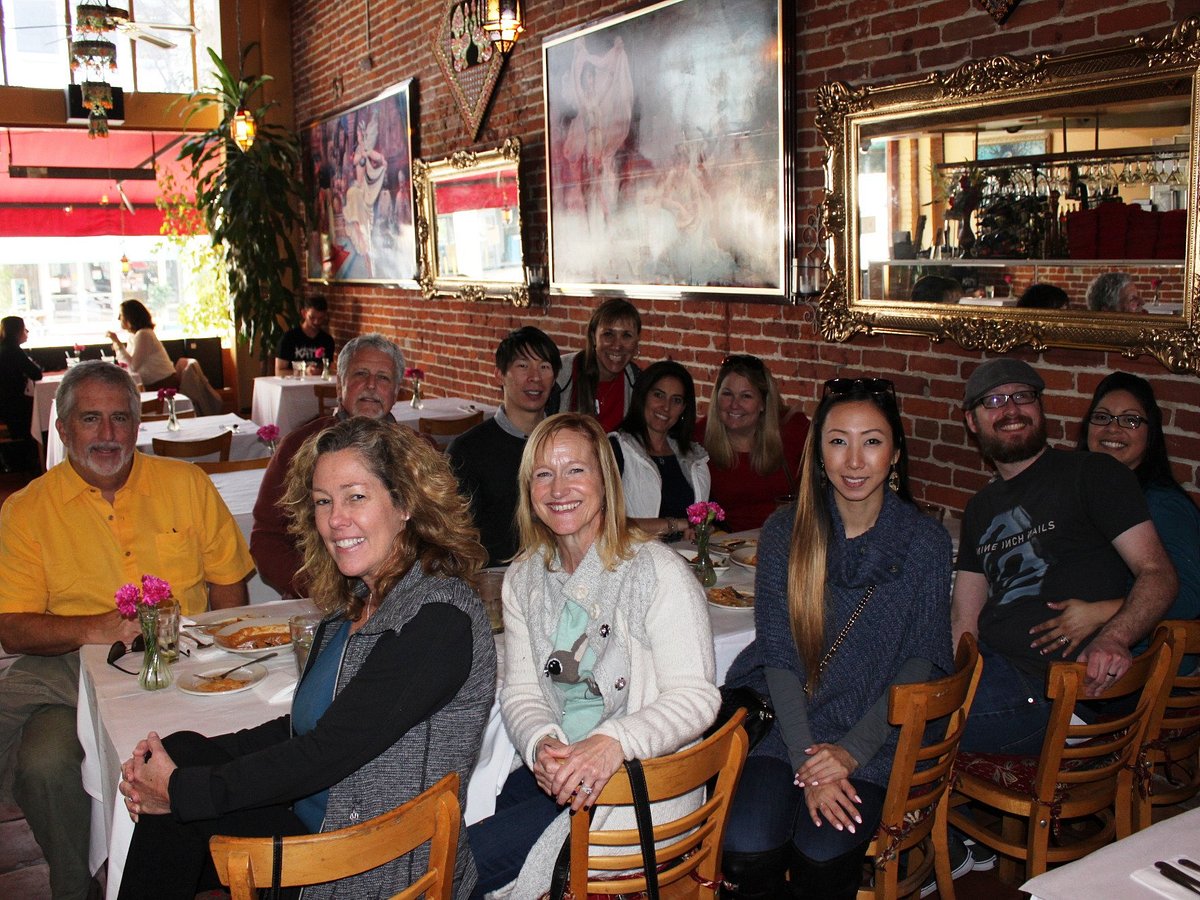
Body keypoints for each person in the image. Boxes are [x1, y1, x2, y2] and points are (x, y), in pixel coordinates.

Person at [116, 417, 497, 899]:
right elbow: (302, 730)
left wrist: (181, 791)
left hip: (371, 860)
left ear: (404, 504)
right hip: (321, 823)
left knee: (180, 805)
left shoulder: (438, 619)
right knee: (183, 751)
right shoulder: (352, 608)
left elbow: (328, 751)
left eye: (355, 496)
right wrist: (178, 768)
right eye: (323, 501)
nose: (336, 519)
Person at [0, 361, 251, 900]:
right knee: (44, 764)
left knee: (242, 735)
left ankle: (216, 870)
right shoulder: (26, 511)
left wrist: (224, 658)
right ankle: (74, 886)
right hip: (69, 671)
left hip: (187, 660)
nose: (108, 434)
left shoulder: (187, 483)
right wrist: (97, 627)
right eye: (91, 419)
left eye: (120, 418)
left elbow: (230, 586)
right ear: (62, 429)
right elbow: (14, 630)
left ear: (140, 426)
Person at [466, 413, 720, 898]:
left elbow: (696, 699)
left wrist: (612, 743)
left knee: (465, 865)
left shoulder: (657, 572)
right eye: (544, 473)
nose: (559, 488)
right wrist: (541, 742)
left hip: (640, 785)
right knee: (460, 836)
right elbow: (520, 690)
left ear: (606, 478)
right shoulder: (524, 577)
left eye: (575, 470)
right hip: (561, 777)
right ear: (528, 488)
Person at [719, 377, 953, 898]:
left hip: (878, 732)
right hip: (790, 724)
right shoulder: (787, 533)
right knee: (744, 847)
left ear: (894, 454)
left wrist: (847, 754)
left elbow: (922, 662)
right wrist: (808, 756)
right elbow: (778, 656)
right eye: (838, 440)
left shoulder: (925, 543)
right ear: (818, 451)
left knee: (821, 854)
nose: (853, 460)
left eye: (871, 441)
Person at [952, 358, 1176, 756]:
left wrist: (1114, 637)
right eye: (995, 401)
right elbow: (964, 622)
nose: (1011, 410)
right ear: (972, 421)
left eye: (1023, 396)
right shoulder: (980, 508)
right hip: (994, 670)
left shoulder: (1093, 474)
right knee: (871, 696)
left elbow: (1158, 573)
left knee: (903, 726)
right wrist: (947, 677)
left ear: (1040, 408)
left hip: (1057, 692)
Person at [1026, 372, 1200, 666]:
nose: (1113, 430)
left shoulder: (1162, 504)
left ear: (1151, 432)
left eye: (1130, 420)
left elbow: (1187, 597)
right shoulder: (1079, 493)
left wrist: (1099, 612)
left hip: (1143, 671)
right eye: (1102, 418)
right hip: (1071, 654)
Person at [252, 333, 405, 597]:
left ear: (396, 391)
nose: (371, 385)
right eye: (360, 374)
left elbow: (439, 535)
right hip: (322, 600)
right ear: (339, 385)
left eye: (383, 377)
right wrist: (322, 590)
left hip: (402, 596)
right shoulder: (298, 447)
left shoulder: (417, 453)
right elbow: (267, 538)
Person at [449, 326, 562, 566]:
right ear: (499, 375)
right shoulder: (468, 450)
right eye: (523, 366)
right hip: (494, 580)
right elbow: (455, 535)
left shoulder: (564, 445)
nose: (535, 377)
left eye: (544, 367)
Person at [699, 354, 810, 532]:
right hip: (727, 545)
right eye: (727, 394)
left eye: (746, 396)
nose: (734, 405)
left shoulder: (793, 430)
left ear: (763, 403)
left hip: (788, 538)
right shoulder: (699, 437)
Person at [609, 360, 710, 540]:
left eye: (676, 400)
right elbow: (608, 523)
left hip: (685, 559)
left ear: (684, 408)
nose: (666, 407)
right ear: (643, 396)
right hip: (634, 560)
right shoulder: (616, 448)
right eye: (658, 395)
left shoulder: (693, 456)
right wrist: (677, 524)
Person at [551, 298, 641, 432]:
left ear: (636, 341)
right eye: (608, 334)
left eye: (626, 335)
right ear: (594, 337)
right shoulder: (560, 373)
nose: (617, 345)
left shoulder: (637, 382)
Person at [0, 315, 43, 473]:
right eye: (24, 328)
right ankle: (35, 461)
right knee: (41, 412)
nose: (27, 331)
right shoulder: (13, 350)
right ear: (17, 331)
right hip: (10, 406)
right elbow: (36, 374)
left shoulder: (5, 348)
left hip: (6, 403)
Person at [106, 299, 177, 389]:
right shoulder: (134, 335)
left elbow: (133, 367)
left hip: (162, 383)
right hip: (153, 382)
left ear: (130, 317)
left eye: (121, 315)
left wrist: (118, 343)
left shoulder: (144, 334)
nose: (118, 318)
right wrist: (117, 345)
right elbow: (126, 364)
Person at [275, 296, 336, 376]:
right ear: (304, 313)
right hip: (292, 386)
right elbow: (279, 372)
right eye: (312, 317)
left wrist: (319, 371)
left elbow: (327, 368)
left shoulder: (327, 340)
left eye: (320, 318)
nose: (316, 322)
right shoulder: (289, 338)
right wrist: (304, 372)